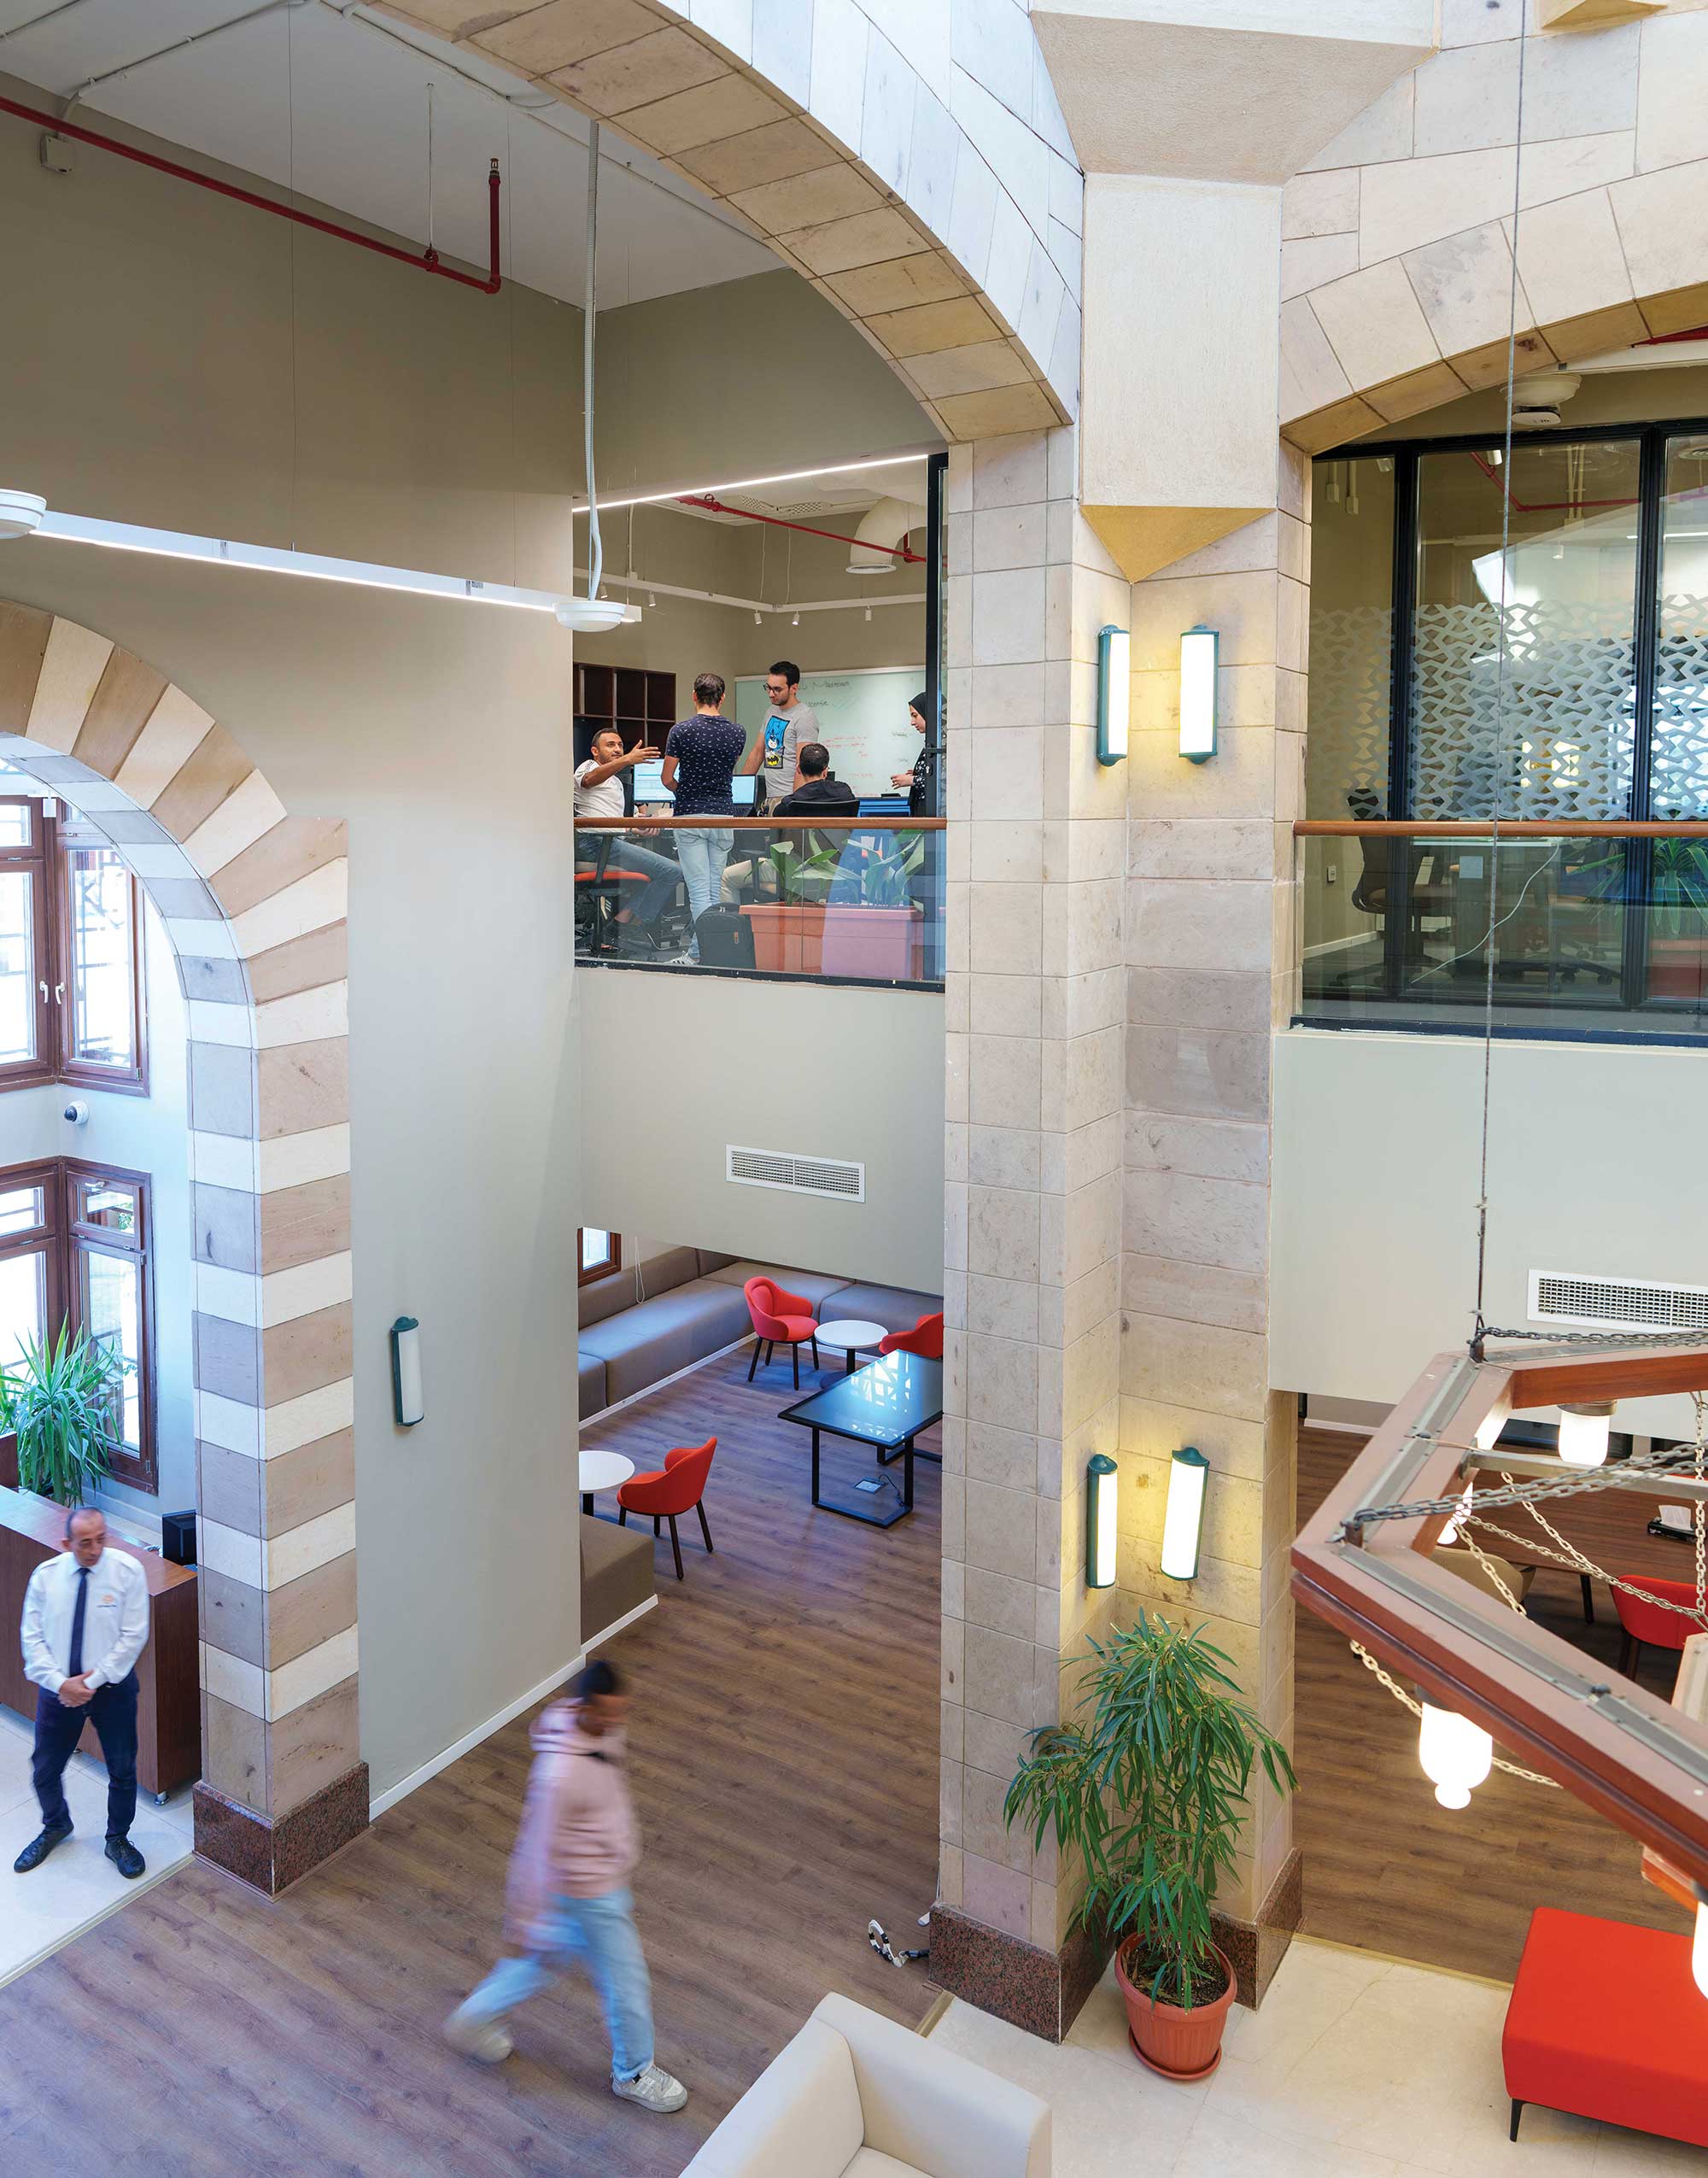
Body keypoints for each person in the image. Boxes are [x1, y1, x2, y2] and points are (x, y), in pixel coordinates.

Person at [444, 1660, 687, 2116]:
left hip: (593, 1883)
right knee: (627, 1981)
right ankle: (633, 2072)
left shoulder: (600, 1730)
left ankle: (474, 2019)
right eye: (607, 1715)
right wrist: (522, 1918)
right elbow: (534, 1850)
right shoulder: (559, 1777)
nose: (616, 1724)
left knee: (542, 1963)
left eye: (621, 1713)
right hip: (590, 1893)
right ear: (584, 1707)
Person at [15, 1506, 150, 1881]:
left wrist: (90, 1682)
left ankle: (118, 1839)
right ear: (67, 1543)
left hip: (112, 1689)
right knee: (45, 1769)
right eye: (85, 1543)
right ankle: (56, 1825)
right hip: (59, 1691)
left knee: (122, 1769)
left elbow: (134, 1635)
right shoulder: (46, 1577)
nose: (94, 1549)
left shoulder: (127, 1572)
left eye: (101, 1540)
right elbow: (32, 1638)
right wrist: (63, 1684)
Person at [573, 728, 684, 957]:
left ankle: (617, 927)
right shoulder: (588, 767)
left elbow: (604, 818)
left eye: (620, 745)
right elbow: (588, 782)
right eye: (610, 745)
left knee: (655, 875)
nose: (617, 749)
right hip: (595, 844)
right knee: (672, 871)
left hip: (607, 842)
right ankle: (627, 928)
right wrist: (627, 759)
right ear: (595, 751)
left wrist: (633, 827)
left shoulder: (615, 782)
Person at [662, 671, 745, 960]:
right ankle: (709, 952)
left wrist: (683, 792)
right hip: (723, 815)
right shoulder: (737, 732)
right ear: (722, 698)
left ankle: (699, 954)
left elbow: (667, 778)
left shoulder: (681, 731)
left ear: (694, 696)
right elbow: (725, 771)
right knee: (713, 889)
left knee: (699, 893)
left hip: (691, 816)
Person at [740, 659, 820, 793]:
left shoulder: (804, 717)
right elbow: (757, 753)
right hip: (770, 795)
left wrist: (795, 802)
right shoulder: (771, 711)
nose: (771, 694)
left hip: (789, 796)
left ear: (793, 688)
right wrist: (739, 791)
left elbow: (803, 766)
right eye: (769, 688)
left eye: (777, 689)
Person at [771, 741, 857, 817]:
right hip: (839, 836)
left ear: (798, 769)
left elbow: (777, 815)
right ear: (825, 771)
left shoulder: (790, 803)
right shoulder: (845, 793)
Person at [892, 691, 936, 815]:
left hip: (932, 814)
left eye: (915, 716)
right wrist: (918, 772)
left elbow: (943, 782)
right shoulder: (933, 741)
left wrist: (912, 780)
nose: (912, 722)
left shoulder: (944, 743)